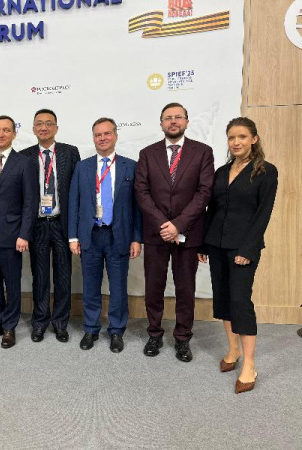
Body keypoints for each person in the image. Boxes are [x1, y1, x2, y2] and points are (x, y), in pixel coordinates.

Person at [198, 117, 278, 393]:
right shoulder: (222, 171)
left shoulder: (266, 171)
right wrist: (203, 245)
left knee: (240, 301)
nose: (236, 142)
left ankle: (249, 365)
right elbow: (212, 209)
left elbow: (263, 214)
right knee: (222, 298)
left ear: (254, 139)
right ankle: (233, 351)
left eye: (242, 136)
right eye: (231, 137)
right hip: (216, 244)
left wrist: (248, 249)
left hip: (243, 247)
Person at [134, 103, 214, 362]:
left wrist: (178, 224)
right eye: (168, 118)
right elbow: (142, 192)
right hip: (156, 234)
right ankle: (154, 334)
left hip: (188, 233)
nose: (173, 121)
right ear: (161, 123)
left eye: (178, 117)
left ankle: (182, 338)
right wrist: (164, 225)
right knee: (154, 287)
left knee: (185, 288)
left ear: (187, 122)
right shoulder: (147, 154)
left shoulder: (203, 152)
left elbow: (204, 192)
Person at [68, 118, 142, 352]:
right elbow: (74, 203)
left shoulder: (131, 166)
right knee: (90, 286)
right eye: (98, 134)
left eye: (107, 133)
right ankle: (91, 328)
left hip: (119, 236)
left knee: (118, 287)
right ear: (93, 138)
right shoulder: (82, 167)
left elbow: (137, 206)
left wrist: (136, 237)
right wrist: (73, 237)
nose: (102, 138)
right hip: (90, 235)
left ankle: (117, 330)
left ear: (116, 136)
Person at [0, 115, 38, 348]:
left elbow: (30, 202)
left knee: (12, 283)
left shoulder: (24, 163)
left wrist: (24, 234)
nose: (1, 134)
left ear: (14, 134)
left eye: (6, 130)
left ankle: (10, 326)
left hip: (12, 235)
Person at [20, 109, 80, 343]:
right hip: (37, 225)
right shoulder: (24, 156)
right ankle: (40, 322)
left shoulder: (69, 152)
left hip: (61, 223)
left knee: (63, 276)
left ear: (56, 128)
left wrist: (75, 229)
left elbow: (76, 191)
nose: (43, 127)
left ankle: (60, 322)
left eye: (48, 123)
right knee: (40, 276)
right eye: (39, 124)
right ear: (33, 129)